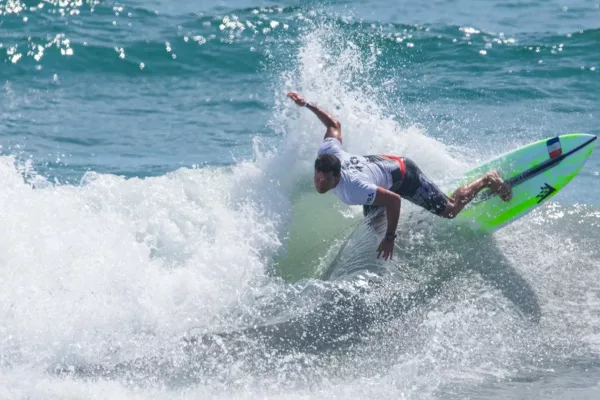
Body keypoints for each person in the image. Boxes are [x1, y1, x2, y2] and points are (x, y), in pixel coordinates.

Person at [287, 91, 512, 261]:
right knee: (375, 226)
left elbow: (393, 199)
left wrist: (390, 239)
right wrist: (305, 104)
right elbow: (334, 124)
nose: (319, 183)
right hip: (382, 170)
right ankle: (411, 221)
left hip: (403, 175)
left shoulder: (353, 189)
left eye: (325, 180)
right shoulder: (327, 153)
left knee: (450, 211)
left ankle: (487, 180)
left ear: (337, 176)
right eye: (317, 178)